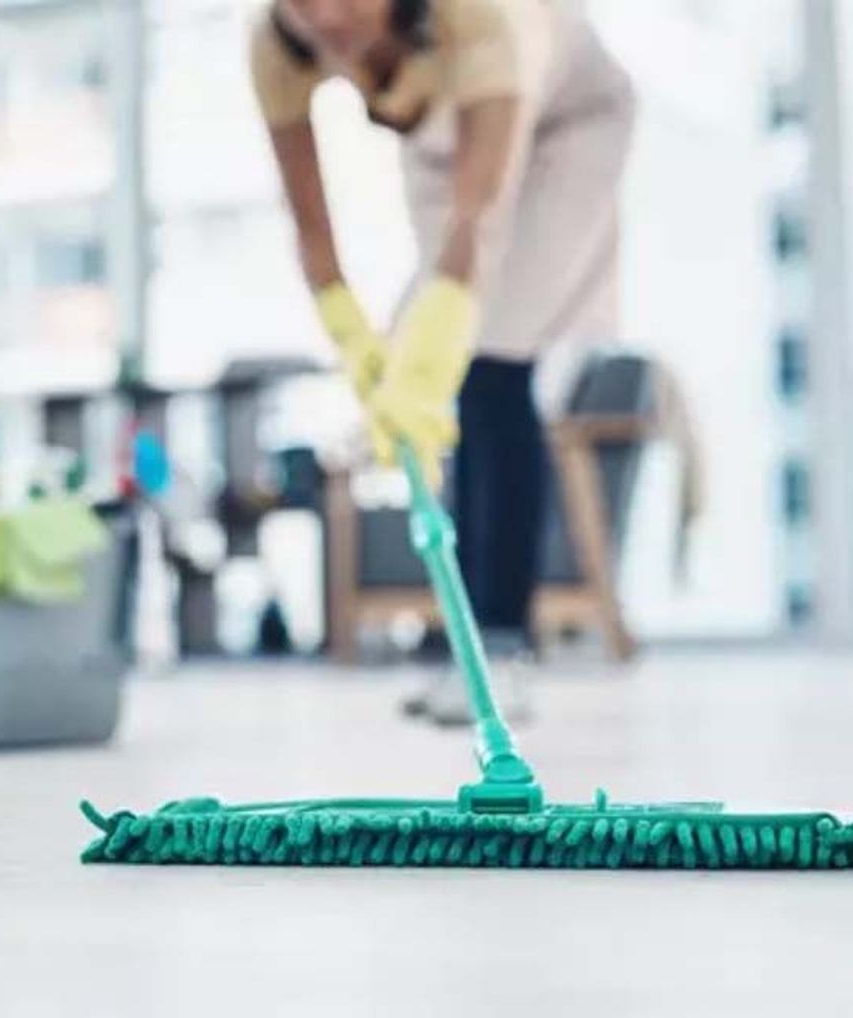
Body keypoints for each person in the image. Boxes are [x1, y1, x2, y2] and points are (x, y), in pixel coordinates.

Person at [251, 0, 635, 724]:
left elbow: (478, 220)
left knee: (494, 356)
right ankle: (468, 651)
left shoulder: (480, 13)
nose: (325, 18)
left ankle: (503, 647)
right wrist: (355, 340)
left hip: (569, 127)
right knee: (453, 382)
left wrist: (439, 334)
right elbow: (311, 229)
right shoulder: (277, 46)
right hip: (447, 137)